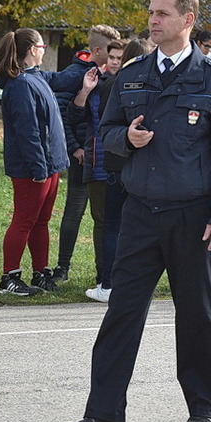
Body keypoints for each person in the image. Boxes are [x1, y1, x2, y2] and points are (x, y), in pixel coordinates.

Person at [64, 0, 211, 422]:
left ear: (187, 20)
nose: (152, 20)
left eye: (162, 13)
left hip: (194, 217)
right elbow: (105, 132)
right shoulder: (131, 74)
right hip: (141, 213)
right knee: (122, 312)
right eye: (151, 12)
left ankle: (203, 405)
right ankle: (105, 410)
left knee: (198, 315)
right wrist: (125, 139)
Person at [0, 28, 93, 296]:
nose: (44, 50)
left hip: (50, 165)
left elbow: (65, 78)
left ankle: (40, 272)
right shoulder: (21, 84)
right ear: (32, 49)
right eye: (42, 46)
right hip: (33, 168)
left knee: (41, 221)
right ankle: (9, 277)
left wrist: (88, 61)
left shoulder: (35, 77)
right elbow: (28, 131)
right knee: (24, 220)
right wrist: (38, 168)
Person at [52, 24, 120, 286]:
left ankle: (104, 272)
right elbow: (62, 115)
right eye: (110, 53)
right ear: (97, 51)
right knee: (74, 212)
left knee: (102, 218)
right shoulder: (74, 74)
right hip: (82, 155)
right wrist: (74, 147)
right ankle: (63, 267)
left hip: (99, 155)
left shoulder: (107, 76)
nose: (114, 58)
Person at [86, 39, 151, 303]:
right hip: (142, 162)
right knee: (136, 225)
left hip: (116, 161)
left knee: (112, 224)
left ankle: (109, 282)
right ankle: (132, 280)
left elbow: (106, 122)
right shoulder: (151, 84)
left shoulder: (114, 83)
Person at [72, 38, 124, 301]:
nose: (114, 61)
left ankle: (116, 278)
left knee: (120, 223)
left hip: (123, 161)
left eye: (119, 57)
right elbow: (78, 116)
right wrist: (85, 89)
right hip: (98, 160)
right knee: (102, 222)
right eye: (112, 57)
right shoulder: (97, 82)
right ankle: (103, 274)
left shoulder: (127, 85)